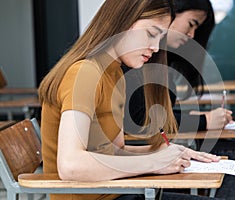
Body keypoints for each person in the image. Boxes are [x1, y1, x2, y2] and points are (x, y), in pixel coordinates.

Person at [38, 0, 223, 200]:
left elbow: (115, 152)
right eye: (151, 34)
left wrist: (161, 152)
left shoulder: (114, 73)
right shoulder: (85, 73)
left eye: (160, 38)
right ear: (122, 21)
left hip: (116, 192)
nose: (154, 47)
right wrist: (154, 162)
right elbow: (71, 166)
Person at [122, 0, 235, 200]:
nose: (192, 35)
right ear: (170, 14)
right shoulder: (135, 58)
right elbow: (140, 119)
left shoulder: (159, 59)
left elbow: (154, 114)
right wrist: (203, 120)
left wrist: (195, 117)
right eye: (191, 23)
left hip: (153, 144)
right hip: (144, 147)